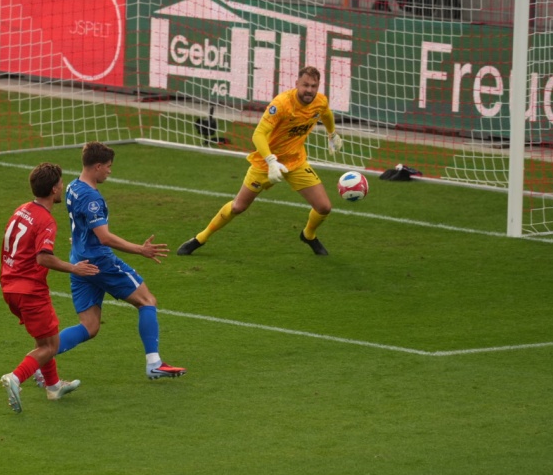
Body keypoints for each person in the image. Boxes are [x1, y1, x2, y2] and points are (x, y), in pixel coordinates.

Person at [177, 65, 342, 257]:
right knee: (238, 206)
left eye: (314, 86)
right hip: (266, 163)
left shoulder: (319, 101)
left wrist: (332, 134)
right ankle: (200, 238)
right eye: (305, 85)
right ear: (297, 83)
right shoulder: (281, 104)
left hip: (296, 161)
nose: (309, 90)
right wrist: (271, 161)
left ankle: (308, 235)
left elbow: (326, 113)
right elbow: (258, 134)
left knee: (324, 207)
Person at [56, 142, 186, 380]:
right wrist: (140, 249)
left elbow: (80, 225)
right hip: (100, 263)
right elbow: (104, 238)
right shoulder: (93, 198)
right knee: (147, 301)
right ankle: (154, 363)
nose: (110, 171)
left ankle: (41, 359)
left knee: (90, 326)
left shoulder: (72, 187)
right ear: (97, 166)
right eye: (108, 167)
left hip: (79, 262)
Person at [0, 163, 99, 414]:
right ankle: (16, 377)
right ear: (54, 189)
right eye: (61, 184)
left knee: (44, 337)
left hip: (9, 285)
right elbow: (43, 258)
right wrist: (74, 268)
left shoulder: (22, 210)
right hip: (30, 289)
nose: (62, 187)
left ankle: (53, 387)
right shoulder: (46, 220)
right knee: (49, 347)